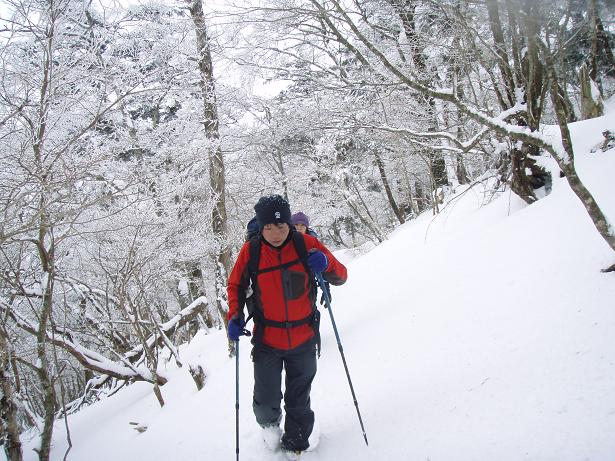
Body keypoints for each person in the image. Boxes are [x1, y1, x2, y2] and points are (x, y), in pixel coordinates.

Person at [227, 195, 347, 457]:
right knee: (266, 399)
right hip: (268, 340)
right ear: (261, 227)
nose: (275, 233)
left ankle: (297, 443)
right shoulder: (253, 251)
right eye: (268, 227)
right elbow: (235, 284)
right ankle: (270, 431)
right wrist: (234, 315)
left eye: (281, 227)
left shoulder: (307, 244)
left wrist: (326, 264)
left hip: (304, 338)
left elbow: (341, 276)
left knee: (299, 399)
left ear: (290, 225)